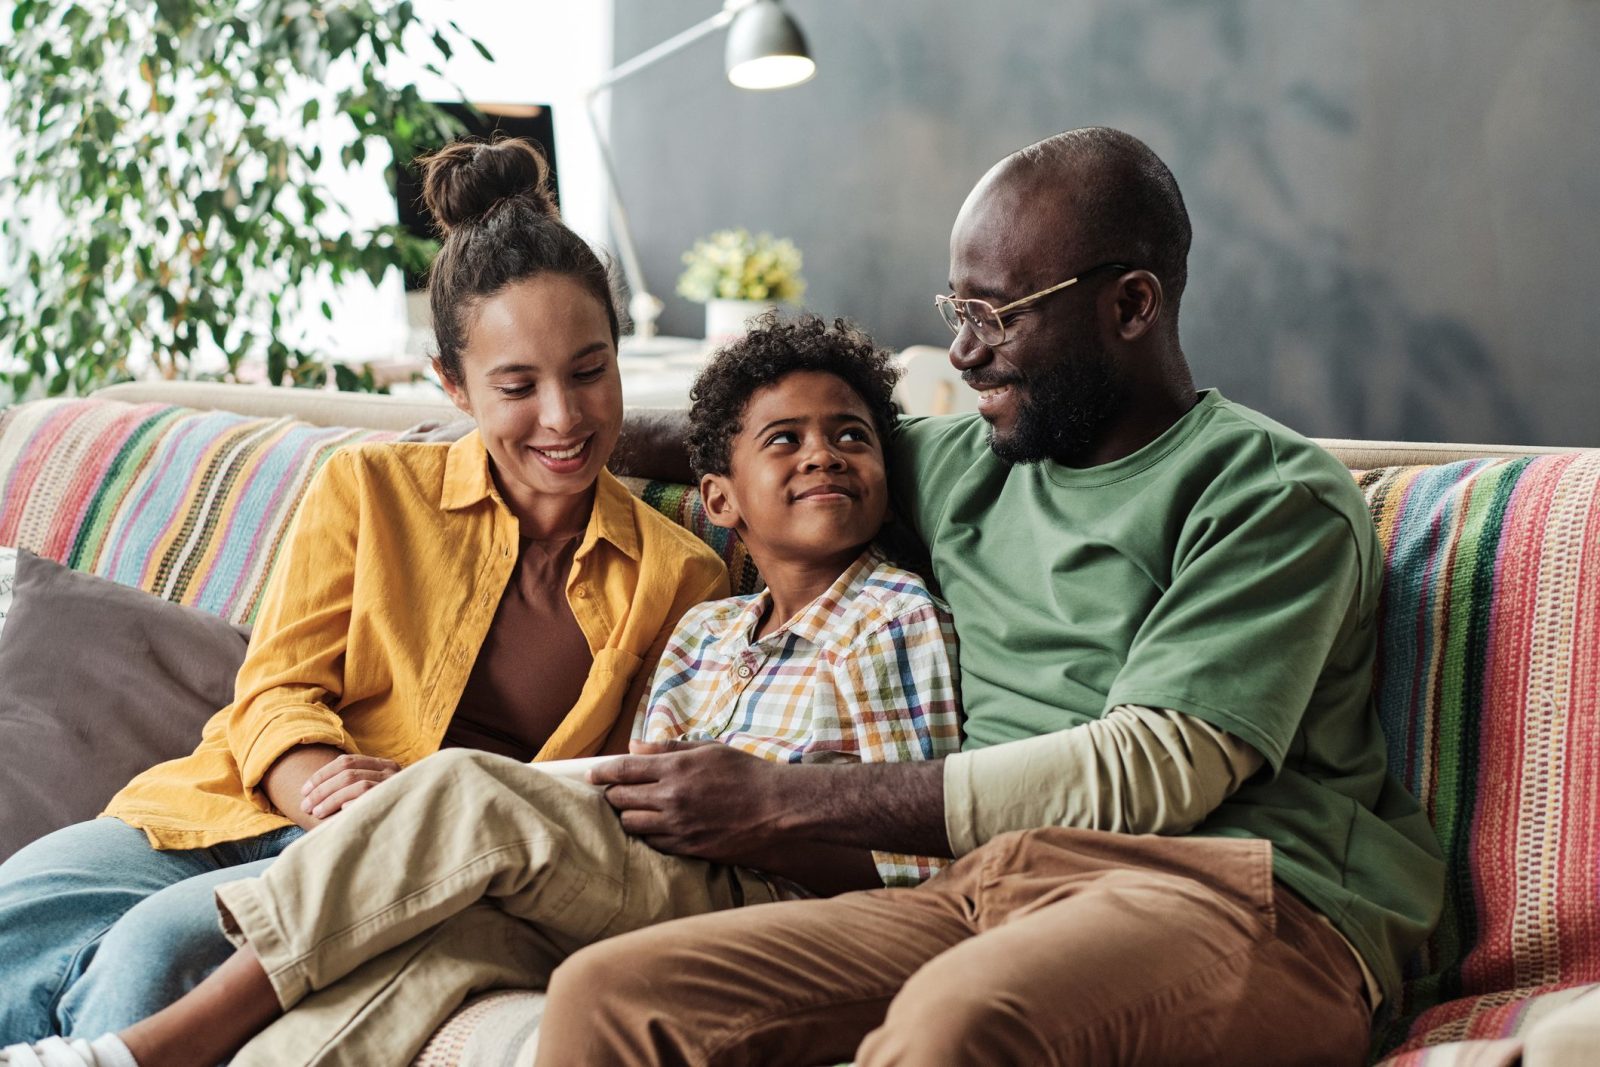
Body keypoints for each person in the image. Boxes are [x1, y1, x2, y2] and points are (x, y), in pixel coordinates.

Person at [529, 127, 1448, 1066]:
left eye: (996, 315)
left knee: (956, 1025)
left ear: (1131, 304)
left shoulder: (1266, 493)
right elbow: (742, 439)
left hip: (1240, 899)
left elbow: (1154, 771)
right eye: (956, 307)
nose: (961, 352)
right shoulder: (969, 461)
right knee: (613, 996)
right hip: (989, 886)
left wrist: (786, 799)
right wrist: (526, 432)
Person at [1, 315, 963, 1067]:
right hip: (327, 819)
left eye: (851, 436)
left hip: (760, 894)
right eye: (787, 440)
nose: (824, 454)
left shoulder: (886, 614)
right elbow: (636, 780)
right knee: (424, 944)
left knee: (462, 786)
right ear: (722, 499)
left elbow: (912, 855)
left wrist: (759, 813)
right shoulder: (708, 629)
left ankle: (155, 1045)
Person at [0, 137, 728, 1058]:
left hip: (391, 873)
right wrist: (322, 790)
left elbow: (605, 804)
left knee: (145, 960)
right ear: (453, 387)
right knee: (16, 914)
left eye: (590, 371)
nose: (564, 416)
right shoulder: (370, 488)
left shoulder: (676, 576)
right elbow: (273, 688)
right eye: (517, 385)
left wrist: (381, 821)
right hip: (234, 806)